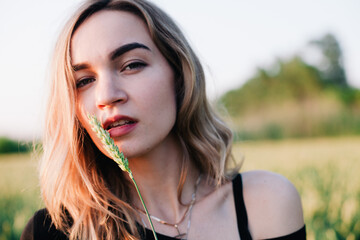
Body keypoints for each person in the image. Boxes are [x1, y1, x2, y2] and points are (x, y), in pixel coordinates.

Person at [21, 0, 306, 239]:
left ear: (179, 75)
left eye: (132, 65)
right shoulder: (54, 232)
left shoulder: (267, 203)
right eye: (84, 80)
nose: (106, 96)